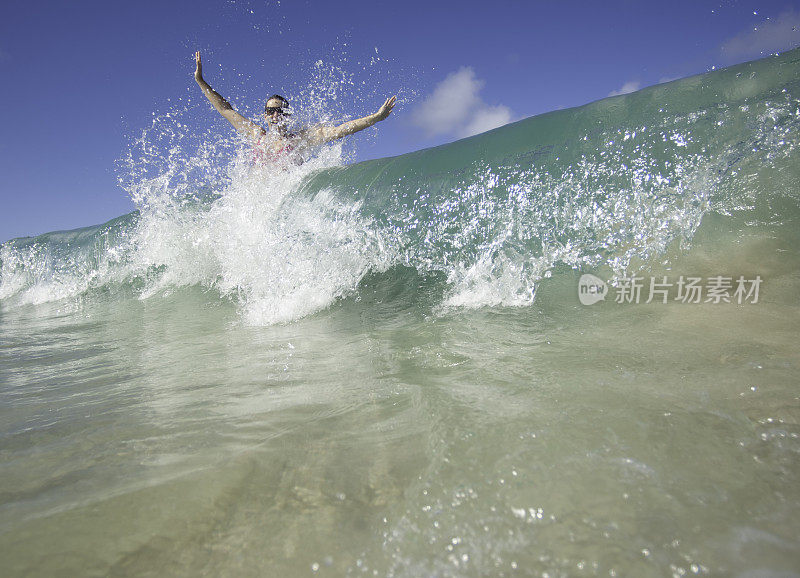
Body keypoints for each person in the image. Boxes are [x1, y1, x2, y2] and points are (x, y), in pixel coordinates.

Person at [193, 51, 396, 162]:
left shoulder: (300, 139)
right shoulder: (257, 135)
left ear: (286, 115)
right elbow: (225, 110)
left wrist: (375, 118)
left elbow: (339, 130)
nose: (274, 114)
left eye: (279, 110)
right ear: (265, 115)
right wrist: (201, 81)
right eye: (270, 110)